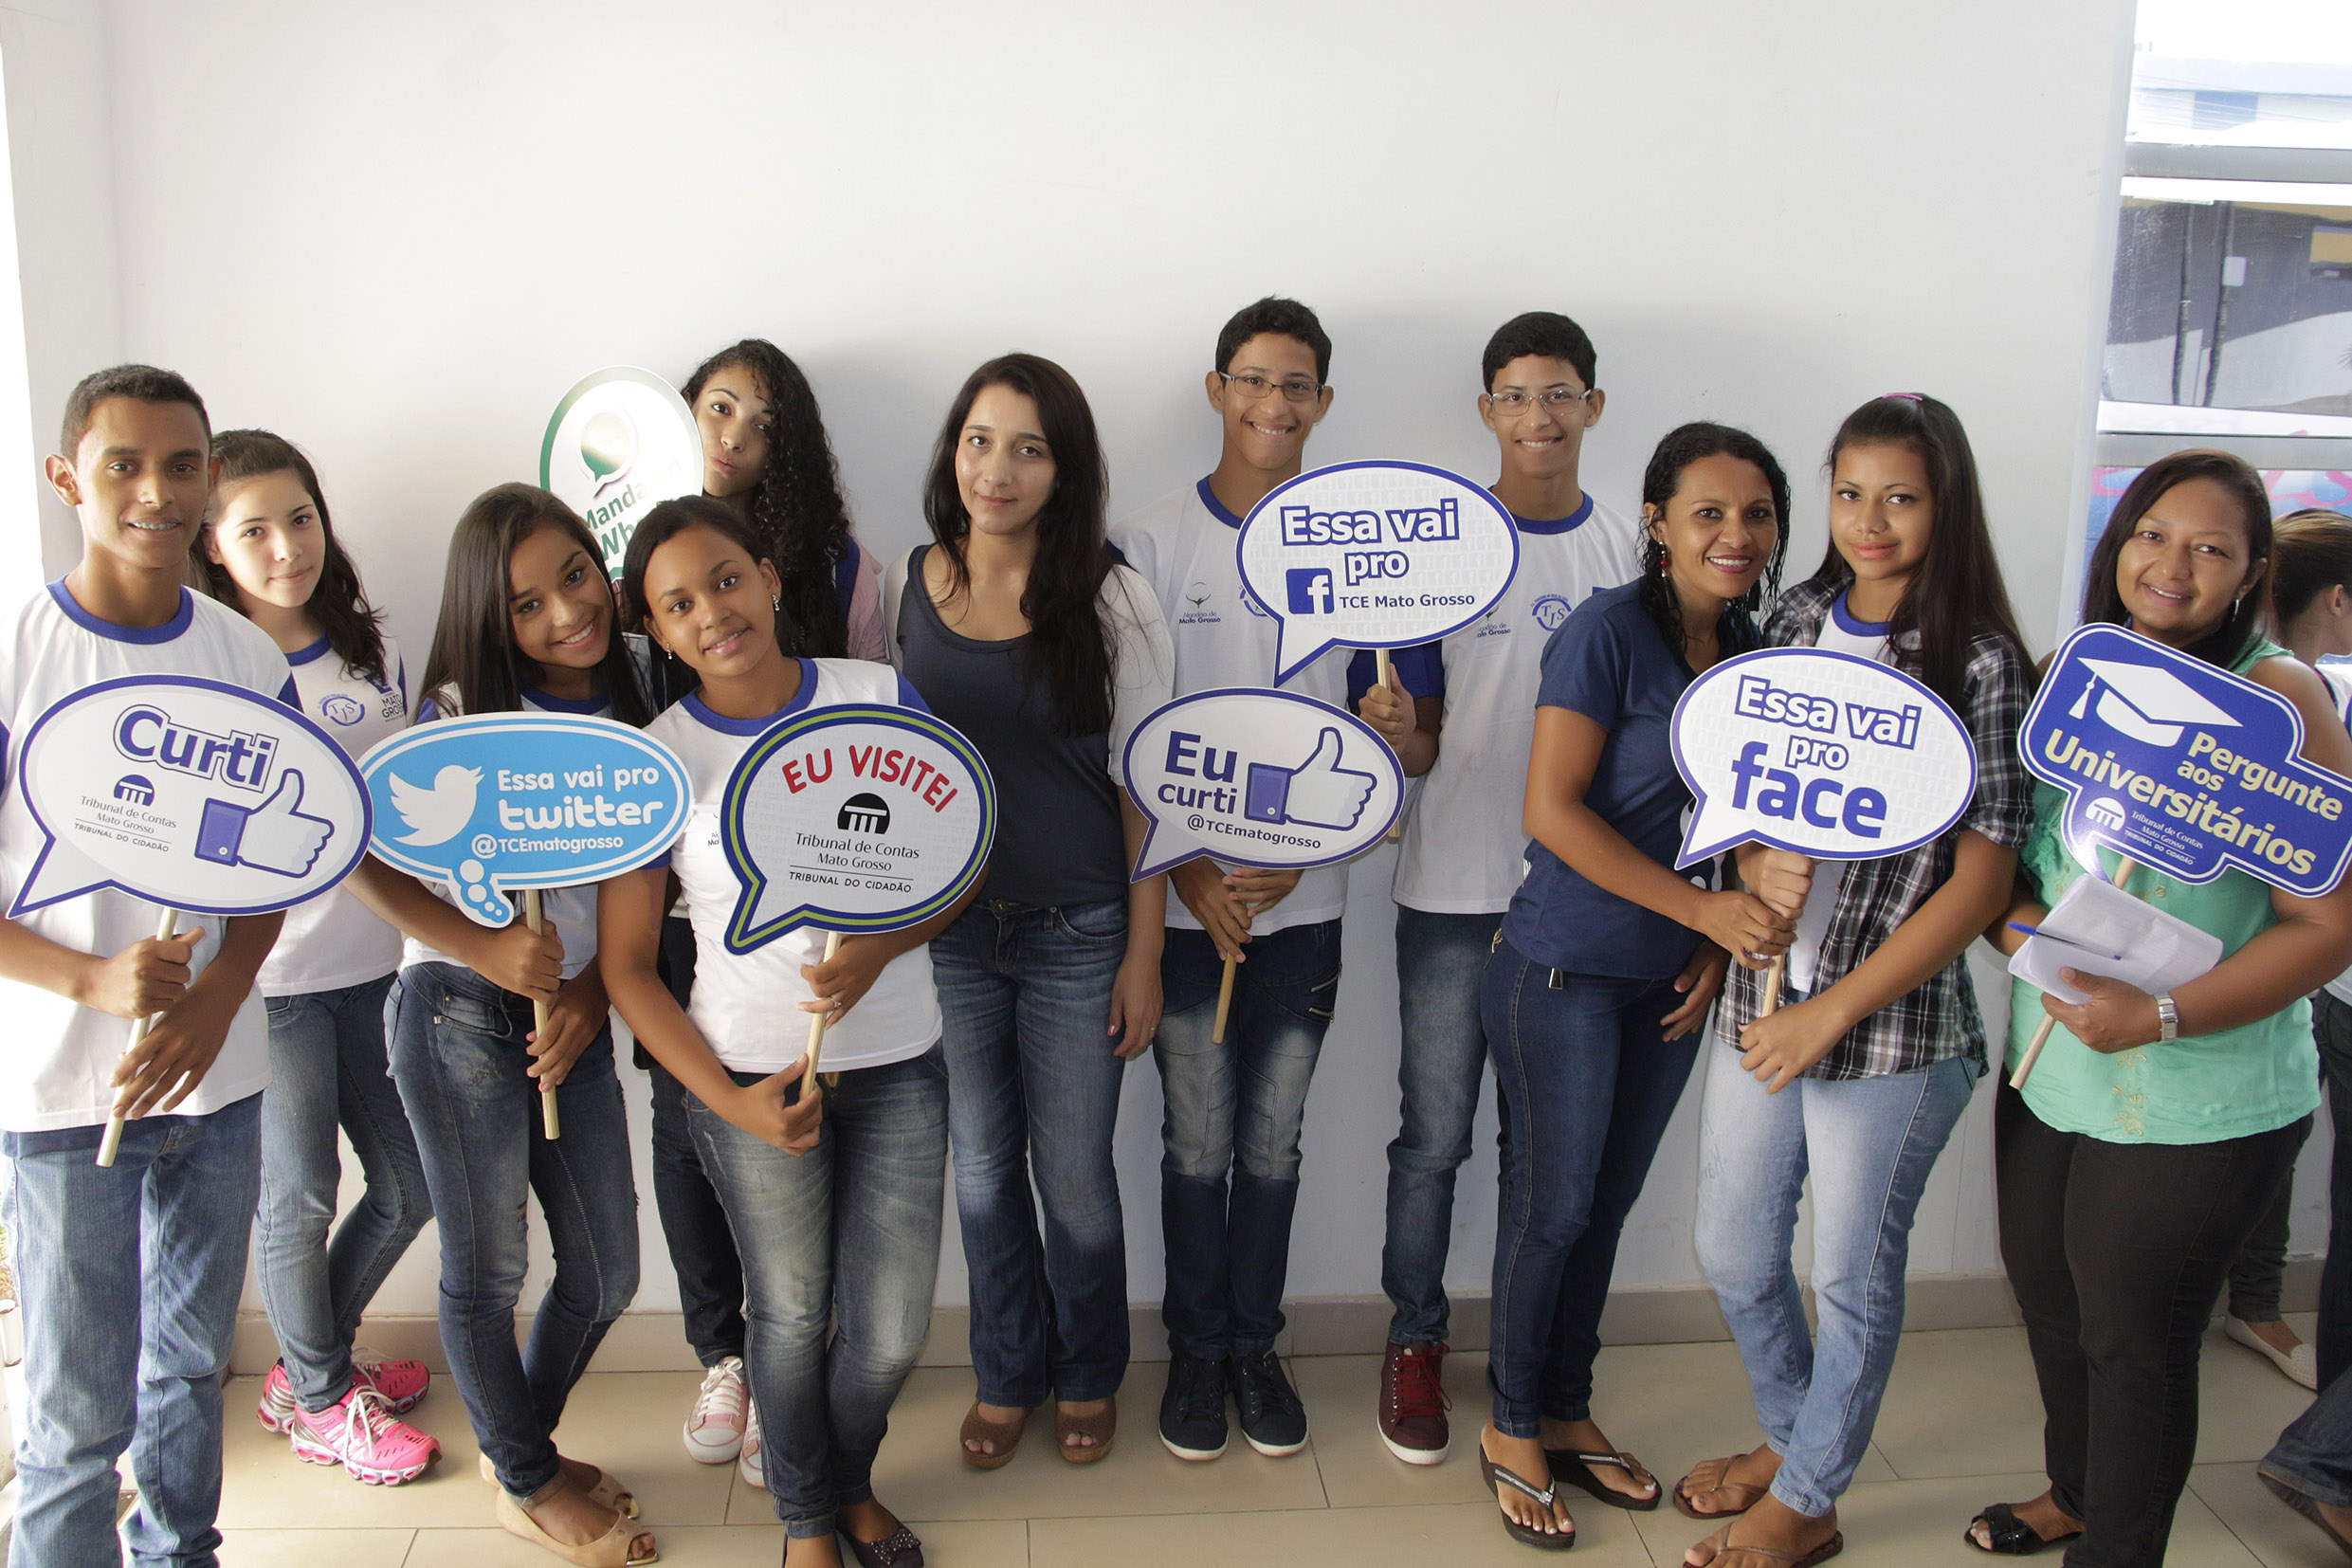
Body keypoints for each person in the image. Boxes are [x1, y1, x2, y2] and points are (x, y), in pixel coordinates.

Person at [1968, 451, 2352, 1564]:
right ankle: (2077, 1494)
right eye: (2152, 534)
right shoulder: (2076, 673)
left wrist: (2163, 1013)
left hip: (2201, 1092)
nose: (2172, 565)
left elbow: (2330, 925)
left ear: (2253, 571)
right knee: (2052, 1304)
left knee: (2134, 1344)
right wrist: (2022, 935)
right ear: (2118, 542)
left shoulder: (2283, 702)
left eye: (2210, 547)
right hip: (2055, 1062)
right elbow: (2008, 875)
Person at [1680, 395, 2034, 1568]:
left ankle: (1806, 1497)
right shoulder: (1791, 617)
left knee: (1847, 1273)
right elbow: (1729, 790)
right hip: (1765, 1000)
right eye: (1849, 493)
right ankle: (1801, 1449)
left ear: (1945, 505)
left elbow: (1982, 883)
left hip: (1893, 1033)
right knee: (1735, 1251)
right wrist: (1746, 860)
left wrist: (1833, 1009)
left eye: (1900, 497)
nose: (1870, 520)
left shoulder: (1979, 659)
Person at [605, 494, 971, 1568]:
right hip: (751, 1074)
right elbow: (628, 968)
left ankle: (846, 1480)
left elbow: (963, 857)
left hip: (898, 1062)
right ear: (657, 630)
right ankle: (808, 1520)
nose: (713, 613)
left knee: (891, 1329)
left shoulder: (876, 695)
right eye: (679, 604)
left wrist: (883, 946)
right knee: (791, 1314)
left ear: (767, 577)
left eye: (726, 580)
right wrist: (728, 1102)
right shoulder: (659, 760)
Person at [1477, 422, 1796, 1550]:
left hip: (1667, 983)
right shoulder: (1606, 633)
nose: (1735, 534)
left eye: (1756, 513)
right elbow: (1550, 811)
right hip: (1560, 970)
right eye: (1708, 512)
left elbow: (1740, 824)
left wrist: (1710, 942)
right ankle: (1511, 1421)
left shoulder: (1755, 648)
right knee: (1551, 1209)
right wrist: (1704, 913)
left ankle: (1567, 1408)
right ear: (1657, 521)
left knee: (1602, 1211)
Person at [0, 367, 292, 1565]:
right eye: (123, 464)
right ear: (67, 477)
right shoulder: (17, 653)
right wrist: (93, 984)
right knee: (77, 1413)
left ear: (210, 477)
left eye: (181, 465)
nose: (156, 491)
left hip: (218, 1086)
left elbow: (281, 866)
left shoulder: (246, 658)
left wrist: (217, 997)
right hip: (69, 1092)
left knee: (187, 1373)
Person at [1108, 295, 1406, 1462]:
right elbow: (1128, 742)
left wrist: (1380, 744)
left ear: (1323, 402)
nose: (1273, 403)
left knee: (1273, 1146)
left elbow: (1368, 751)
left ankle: (1252, 1346)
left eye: (1296, 385)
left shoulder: (1360, 554)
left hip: (1308, 909)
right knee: (1195, 1144)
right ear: (1216, 390)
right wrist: (1188, 875)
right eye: (1253, 379)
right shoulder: (1148, 543)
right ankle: (1194, 1351)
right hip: (1187, 912)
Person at [352, 484, 652, 1566]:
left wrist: (590, 993)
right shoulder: (454, 716)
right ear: (491, 617)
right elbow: (364, 855)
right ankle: (524, 1476)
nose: (567, 611)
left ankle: (514, 1440)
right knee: (487, 1270)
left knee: (607, 1271)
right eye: (528, 603)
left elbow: (649, 884)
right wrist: (483, 947)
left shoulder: (639, 697)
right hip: (455, 1010)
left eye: (576, 575)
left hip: (574, 1008)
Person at [881, 354, 1173, 1467]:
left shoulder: (1113, 596)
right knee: (983, 1173)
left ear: (1067, 471)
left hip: (1080, 934)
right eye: (979, 440)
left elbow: (1146, 788)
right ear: (952, 451)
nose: (996, 470)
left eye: (1029, 448)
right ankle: (1007, 1371)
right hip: (948, 936)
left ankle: (1088, 1370)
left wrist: (1144, 953)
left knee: (1077, 1182)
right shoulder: (910, 585)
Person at [1375, 310, 1641, 1469]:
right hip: (1452, 890)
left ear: (1594, 406)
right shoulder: (1439, 547)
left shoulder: (1627, 553)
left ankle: (1528, 1375)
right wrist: (1396, 733)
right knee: (1434, 1140)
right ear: (1487, 411)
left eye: (1560, 393)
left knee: (1549, 1161)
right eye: (1517, 396)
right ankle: (1415, 1340)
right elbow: (1424, 743)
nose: (1539, 416)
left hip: (1581, 902)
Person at [191, 428, 439, 1483]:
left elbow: (404, 800)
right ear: (212, 545)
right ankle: (325, 1399)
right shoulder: (210, 664)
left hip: (378, 968)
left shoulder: (369, 649)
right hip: (272, 984)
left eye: (300, 518)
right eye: (254, 530)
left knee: (411, 1183)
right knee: (296, 1197)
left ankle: (308, 1366)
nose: (286, 547)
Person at [665, 337, 888, 1469]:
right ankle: (729, 1353)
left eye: (762, 420)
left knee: (808, 1134)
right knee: (692, 1128)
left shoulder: (842, 568)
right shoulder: (629, 544)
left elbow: (880, 739)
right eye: (717, 408)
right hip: (674, 894)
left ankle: (794, 1365)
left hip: (808, 902)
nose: (734, 436)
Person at [2267, 507, 2352, 1389]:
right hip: (2301, 962)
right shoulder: (2292, 693)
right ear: (2335, 597)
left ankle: (2256, 1305)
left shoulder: (2305, 686)